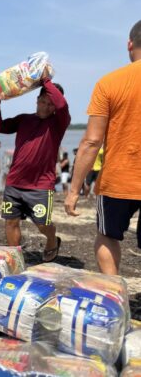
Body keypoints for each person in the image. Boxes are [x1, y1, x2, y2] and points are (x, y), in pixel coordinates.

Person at [65, 20, 141, 275]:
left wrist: (74, 190)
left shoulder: (109, 83)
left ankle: (114, 295)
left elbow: (91, 141)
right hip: (120, 179)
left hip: (118, 178)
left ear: (130, 44)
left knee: (108, 236)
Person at [0, 72, 71, 262]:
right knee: (11, 222)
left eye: (50, 104)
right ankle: (15, 259)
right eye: (43, 101)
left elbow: (62, 105)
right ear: (37, 100)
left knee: (42, 224)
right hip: (14, 183)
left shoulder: (59, 122)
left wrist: (46, 80)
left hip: (40, 186)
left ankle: (52, 240)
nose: (46, 106)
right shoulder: (24, 119)